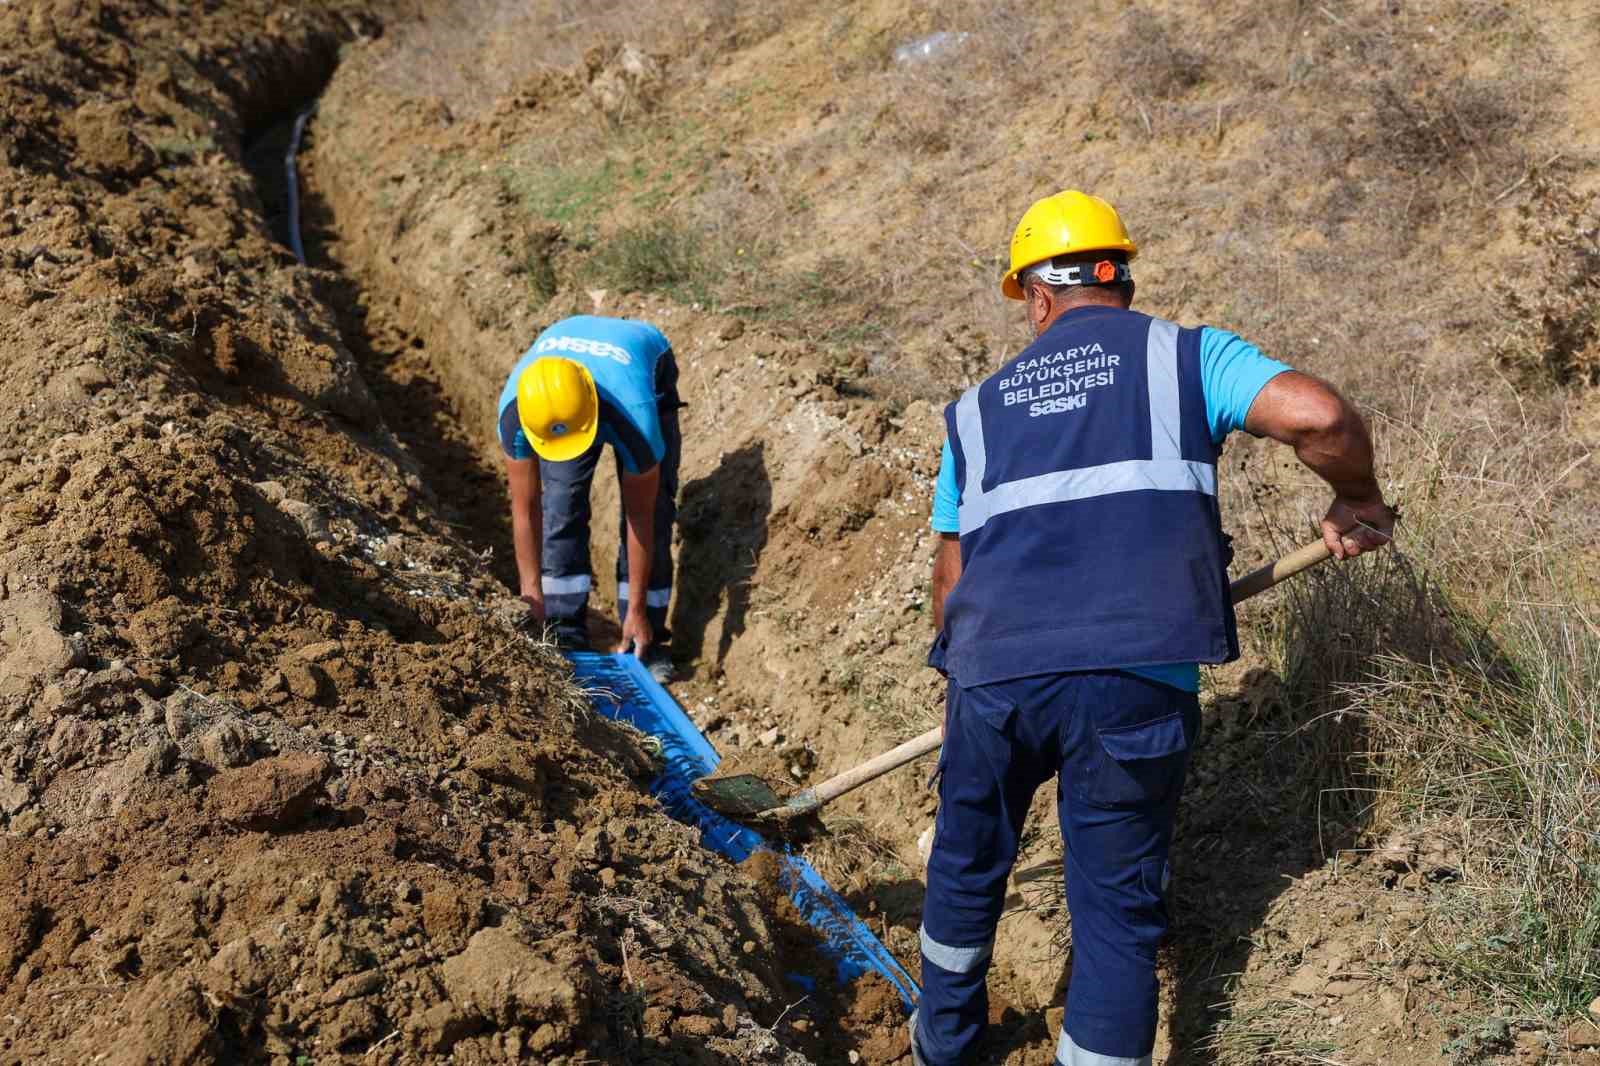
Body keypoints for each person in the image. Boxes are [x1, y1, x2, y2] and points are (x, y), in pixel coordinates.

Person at [915, 190, 1395, 1066]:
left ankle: (941, 1044)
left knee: (965, 867)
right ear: (1123, 281)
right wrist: (1357, 498)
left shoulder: (974, 411)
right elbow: (1317, 416)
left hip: (992, 677)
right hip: (1133, 681)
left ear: (1035, 296)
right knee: (1115, 914)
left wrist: (962, 689)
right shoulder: (1189, 359)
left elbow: (953, 573)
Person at [498, 314, 682, 682]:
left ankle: (647, 633)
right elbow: (525, 508)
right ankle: (564, 624)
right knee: (562, 501)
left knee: (656, 505)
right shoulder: (516, 413)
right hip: (562, 384)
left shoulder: (635, 417)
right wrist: (531, 594)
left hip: (640, 364)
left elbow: (640, 517)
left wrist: (638, 610)